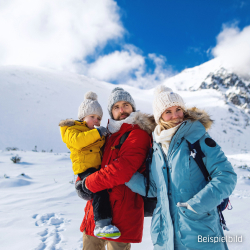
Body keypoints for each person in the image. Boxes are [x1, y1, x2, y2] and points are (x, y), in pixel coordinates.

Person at [125, 85, 237, 250]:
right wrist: (126, 175)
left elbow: (226, 176)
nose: (175, 116)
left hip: (199, 231)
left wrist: (196, 206)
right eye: (168, 112)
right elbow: (155, 189)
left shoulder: (198, 138)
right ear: (159, 116)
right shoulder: (155, 147)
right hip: (165, 234)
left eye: (178, 109)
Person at [77, 87, 156, 250]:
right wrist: (81, 179)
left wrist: (88, 184)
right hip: (95, 215)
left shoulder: (138, 133)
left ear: (132, 107)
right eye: (116, 106)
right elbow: (91, 161)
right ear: (110, 112)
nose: (122, 110)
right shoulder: (107, 135)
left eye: (126, 105)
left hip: (122, 217)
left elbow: (123, 168)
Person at [59, 91, 121, 239]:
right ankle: (102, 225)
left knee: (103, 191)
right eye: (92, 117)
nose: (96, 120)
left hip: (96, 170)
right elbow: (78, 141)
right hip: (84, 171)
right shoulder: (71, 130)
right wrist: (98, 133)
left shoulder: (95, 132)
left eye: (99, 118)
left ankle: (104, 222)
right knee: (99, 188)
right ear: (83, 117)